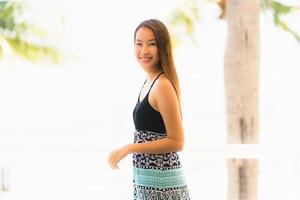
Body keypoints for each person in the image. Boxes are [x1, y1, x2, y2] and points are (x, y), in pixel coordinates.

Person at [108, 19, 190, 200]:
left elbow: (177, 141)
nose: (144, 51)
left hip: (162, 185)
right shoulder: (149, 82)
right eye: (139, 44)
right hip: (148, 182)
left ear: (162, 48)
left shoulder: (162, 85)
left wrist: (129, 148)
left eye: (151, 44)